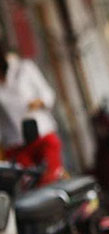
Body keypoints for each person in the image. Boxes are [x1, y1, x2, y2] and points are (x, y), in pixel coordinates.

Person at [0, 47, 65, 185]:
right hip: (15, 144)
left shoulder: (24, 69)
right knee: (28, 188)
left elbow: (48, 95)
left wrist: (39, 102)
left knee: (51, 180)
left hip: (42, 135)